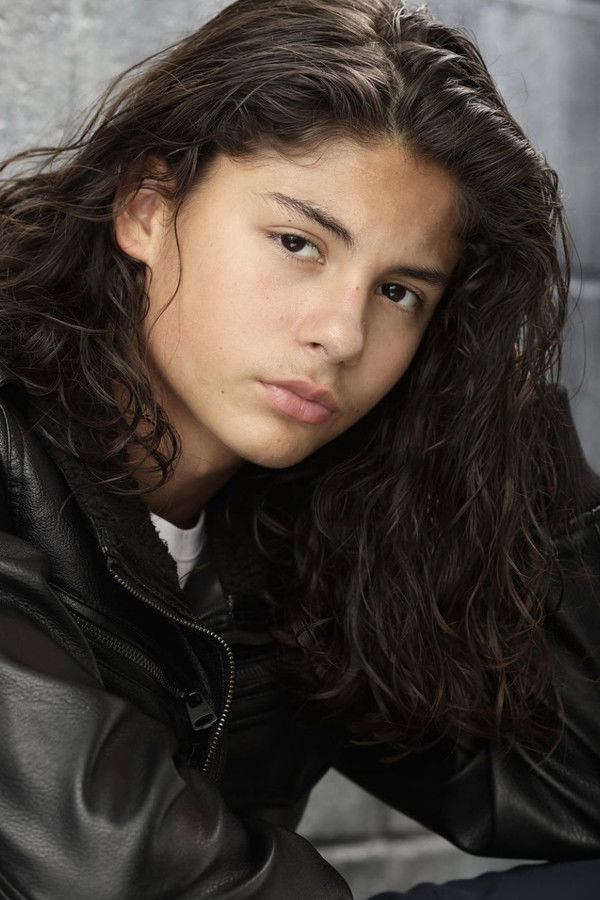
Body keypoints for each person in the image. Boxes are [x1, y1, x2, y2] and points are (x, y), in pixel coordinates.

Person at [0, 0, 599, 897]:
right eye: (298, 243)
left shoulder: (310, 529)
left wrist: (496, 406)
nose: (342, 334)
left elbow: (579, 789)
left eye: (400, 292)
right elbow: (110, 867)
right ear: (146, 207)